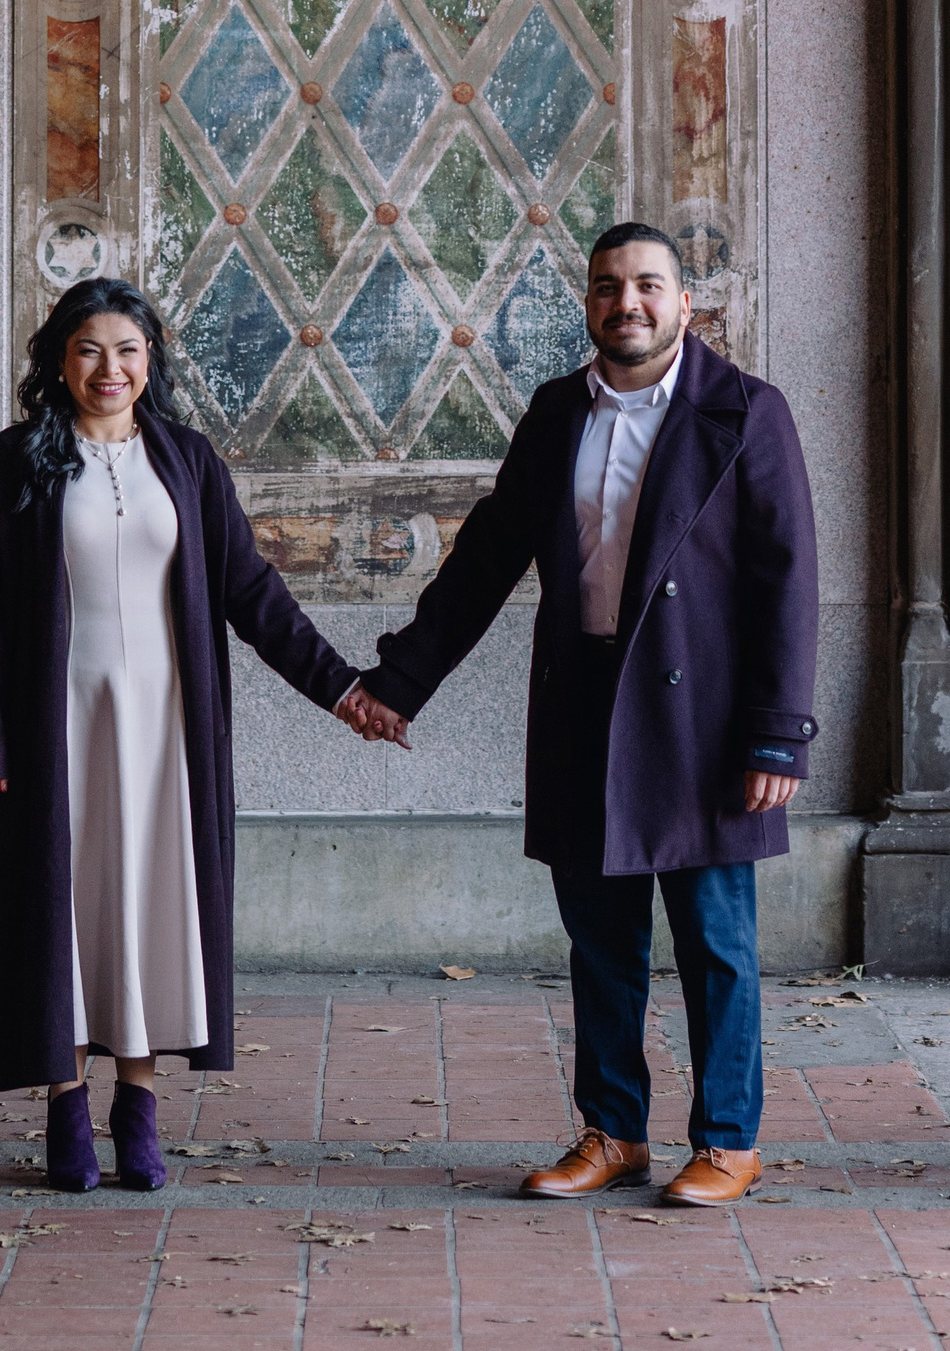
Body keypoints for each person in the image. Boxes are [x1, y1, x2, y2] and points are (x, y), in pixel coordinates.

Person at [358, 223, 818, 1207]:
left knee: (715, 943)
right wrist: (400, 679)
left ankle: (728, 1139)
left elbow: (788, 579)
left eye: (648, 285)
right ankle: (613, 1130)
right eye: (607, 287)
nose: (628, 303)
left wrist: (780, 729)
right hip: (584, 705)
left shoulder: (745, 411)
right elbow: (487, 556)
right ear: (589, 305)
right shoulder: (557, 413)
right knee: (601, 943)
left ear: (684, 303)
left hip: (704, 717)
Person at [0, 279, 405, 1191]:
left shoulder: (188, 462)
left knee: (155, 901)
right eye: (88, 349)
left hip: (166, 730)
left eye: (127, 350)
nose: (108, 368)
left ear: (150, 360)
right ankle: (64, 1102)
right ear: (59, 359)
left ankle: (140, 1101)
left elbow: (253, 593)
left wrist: (344, 690)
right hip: (59, 729)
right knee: (65, 905)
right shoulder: (11, 466)